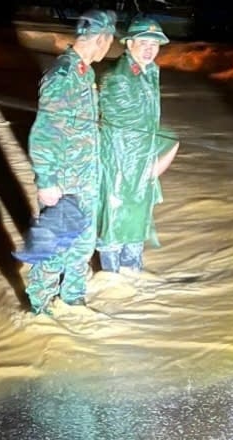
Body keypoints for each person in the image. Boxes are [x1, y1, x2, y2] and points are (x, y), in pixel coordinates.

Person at [14, 9, 117, 315]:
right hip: (63, 183)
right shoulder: (62, 76)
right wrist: (46, 181)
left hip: (85, 180)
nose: (109, 48)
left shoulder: (85, 74)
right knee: (53, 248)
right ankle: (40, 308)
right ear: (101, 39)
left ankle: (73, 300)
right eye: (109, 42)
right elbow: (44, 133)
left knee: (83, 245)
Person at [97, 15, 179, 273]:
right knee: (113, 227)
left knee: (134, 226)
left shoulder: (149, 71)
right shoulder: (119, 78)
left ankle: (131, 284)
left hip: (140, 162)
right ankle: (112, 283)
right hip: (120, 165)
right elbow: (127, 130)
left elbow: (148, 127)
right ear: (129, 43)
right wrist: (163, 147)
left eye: (155, 45)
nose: (149, 49)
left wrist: (162, 150)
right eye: (144, 43)